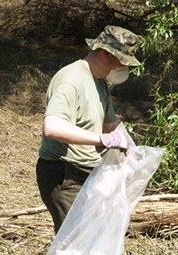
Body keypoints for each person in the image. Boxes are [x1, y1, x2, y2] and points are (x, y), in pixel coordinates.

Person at [36, 25, 142, 233]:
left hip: (88, 170)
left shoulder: (99, 82)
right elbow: (53, 127)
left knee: (92, 234)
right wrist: (102, 140)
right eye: (122, 61)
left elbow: (111, 125)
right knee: (74, 240)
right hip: (63, 173)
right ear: (104, 54)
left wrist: (132, 151)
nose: (122, 66)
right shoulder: (71, 80)